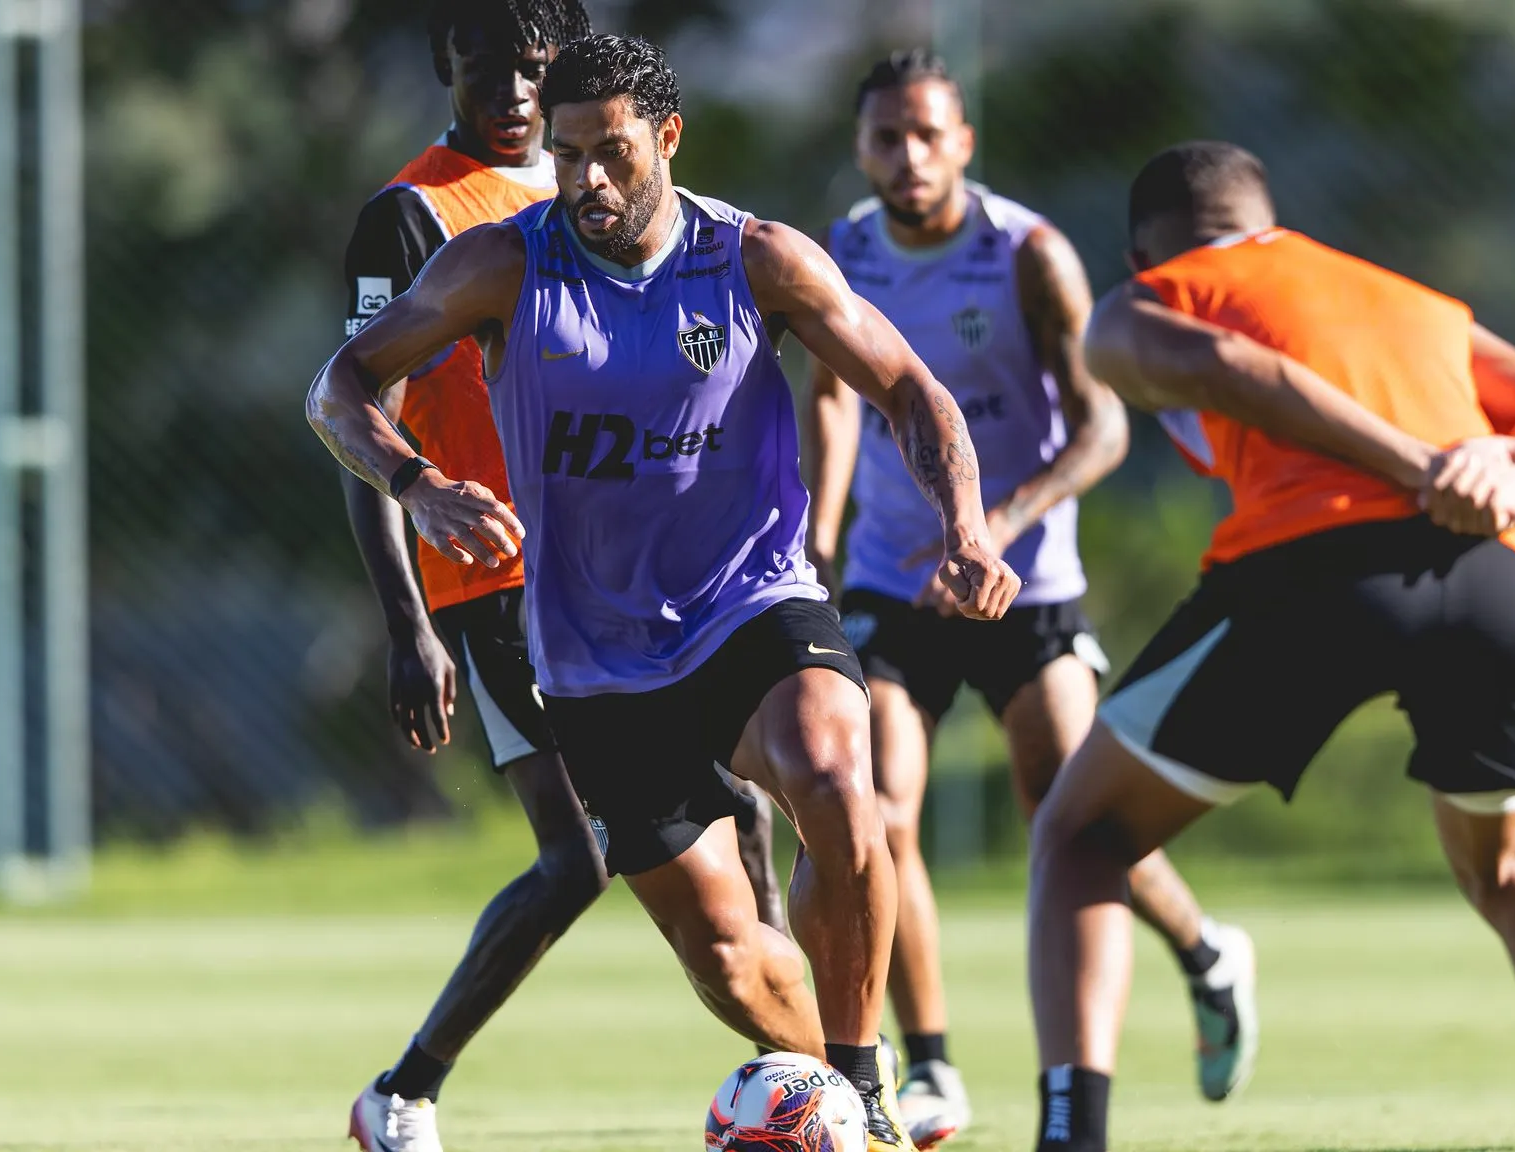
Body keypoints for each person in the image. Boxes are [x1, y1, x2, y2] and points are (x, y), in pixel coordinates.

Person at [310, 33, 1022, 1152]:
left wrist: (967, 531)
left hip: (751, 600)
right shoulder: (501, 264)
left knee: (840, 779)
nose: (585, 177)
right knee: (731, 959)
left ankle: (862, 1083)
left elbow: (911, 391)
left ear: (667, 139)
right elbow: (340, 384)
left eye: (611, 151)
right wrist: (417, 481)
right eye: (568, 151)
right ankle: (834, 1114)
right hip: (594, 656)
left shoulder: (756, 258)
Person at [1024, 140, 1515, 1152]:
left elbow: (1235, 367)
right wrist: (1508, 472)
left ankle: (1071, 1136)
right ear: (1264, 214)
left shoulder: (1149, 296)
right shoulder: (1400, 296)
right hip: (1491, 583)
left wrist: (1428, 470)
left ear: (1147, 243)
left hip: (1312, 579)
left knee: (1081, 836)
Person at [336, 6, 788, 1151]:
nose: (514, 91)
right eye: (484, 66)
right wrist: (408, 625)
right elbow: (357, 415)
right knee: (578, 855)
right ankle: (404, 1091)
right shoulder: (415, 216)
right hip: (493, 585)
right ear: (445, 65)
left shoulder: (603, 177)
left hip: (632, 577)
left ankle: (802, 1072)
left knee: (743, 805)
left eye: (533, 68)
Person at [803, 53, 1260, 1143]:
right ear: (861, 151)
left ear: (962, 141)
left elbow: (1103, 426)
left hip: (1025, 584)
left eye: (926, 135)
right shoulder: (844, 254)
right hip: (889, 580)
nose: (906, 157)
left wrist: (993, 524)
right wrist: (816, 540)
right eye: (884, 140)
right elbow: (826, 399)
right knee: (880, 809)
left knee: (1070, 815)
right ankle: (929, 1072)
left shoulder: (1027, 255)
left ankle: (1203, 951)